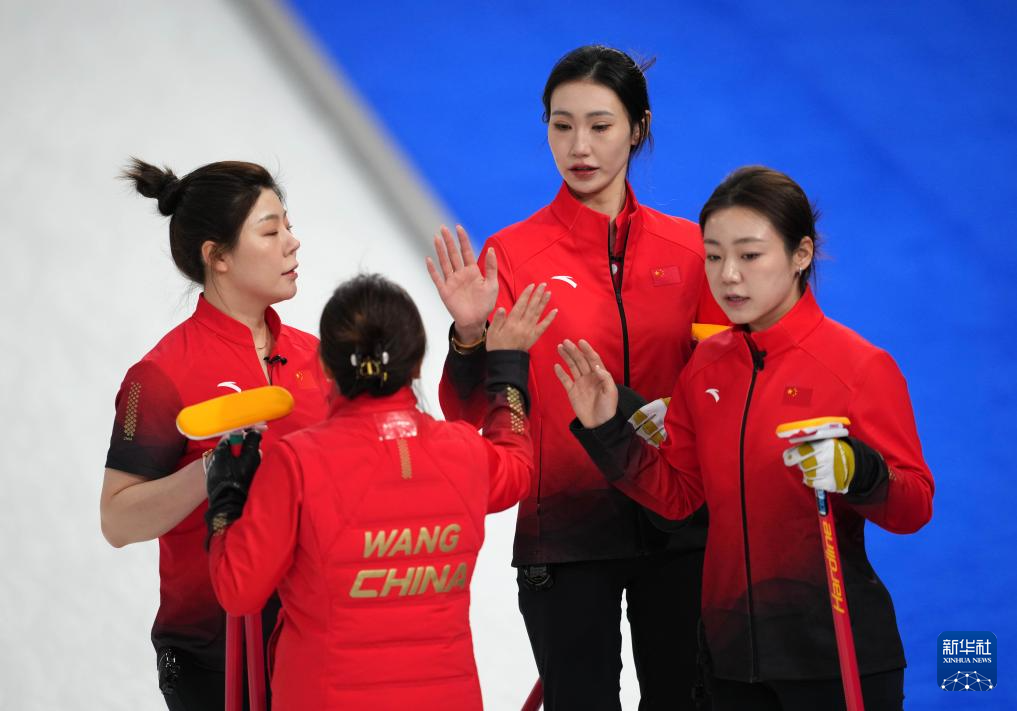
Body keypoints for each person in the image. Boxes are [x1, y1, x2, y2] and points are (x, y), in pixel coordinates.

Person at [557, 166, 934, 711]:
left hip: (835, 661)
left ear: (801, 253)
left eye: (750, 255)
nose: (728, 276)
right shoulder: (707, 367)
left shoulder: (858, 367)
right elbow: (679, 499)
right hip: (730, 662)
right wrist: (607, 430)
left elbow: (914, 505)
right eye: (713, 256)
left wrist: (860, 471)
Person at [429, 45, 727, 710]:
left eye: (599, 125)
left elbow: (721, 390)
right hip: (566, 530)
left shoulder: (691, 252)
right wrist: (470, 337)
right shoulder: (512, 254)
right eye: (561, 126)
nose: (579, 146)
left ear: (638, 128)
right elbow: (472, 413)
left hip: (680, 526)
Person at [204, 273, 554, 710]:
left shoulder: (297, 463)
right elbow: (517, 462)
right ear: (417, 365)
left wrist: (227, 499)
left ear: (324, 366)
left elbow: (239, 589)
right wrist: (507, 372)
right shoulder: (464, 452)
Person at [101, 159, 331, 710]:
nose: (293, 243)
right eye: (271, 232)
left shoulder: (317, 357)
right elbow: (118, 520)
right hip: (213, 655)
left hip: (317, 642)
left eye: (289, 226)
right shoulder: (161, 374)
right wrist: (211, 470)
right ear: (218, 256)